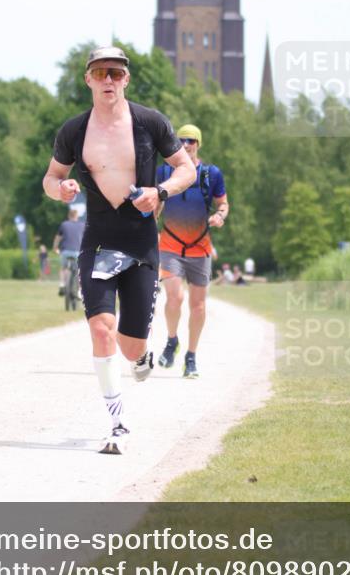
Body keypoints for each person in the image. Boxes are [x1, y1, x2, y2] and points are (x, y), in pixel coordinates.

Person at [42, 45, 195, 455]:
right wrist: (61, 189)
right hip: (99, 240)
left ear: (126, 79)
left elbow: (187, 169)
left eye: (115, 73)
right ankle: (117, 422)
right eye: (100, 73)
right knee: (100, 328)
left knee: (130, 346)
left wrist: (159, 190)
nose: (108, 80)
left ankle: (142, 355)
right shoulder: (74, 131)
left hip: (141, 242)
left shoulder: (150, 122)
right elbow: (51, 177)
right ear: (88, 79)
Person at [156, 124, 229, 378]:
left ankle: (191, 356)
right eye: (181, 141)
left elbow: (223, 203)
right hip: (170, 245)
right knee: (174, 298)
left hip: (200, 247)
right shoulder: (164, 171)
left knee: (198, 306)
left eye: (191, 141)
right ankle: (172, 340)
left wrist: (220, 216)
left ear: (198, 144)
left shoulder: (211, 174)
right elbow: (155, 205)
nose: (186, 145)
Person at [53, 207, 85, 296]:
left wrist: (55, 248)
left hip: (65, 251)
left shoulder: (64, 224)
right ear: (77, 216)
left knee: (63, 268)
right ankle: (79, 292)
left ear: (69, 216)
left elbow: (57, 238)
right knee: (79, 271)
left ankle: (62, 284)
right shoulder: (82, 225)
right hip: (77, 252)